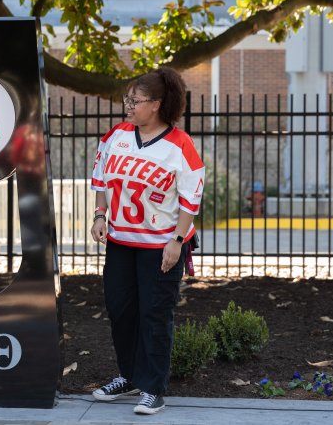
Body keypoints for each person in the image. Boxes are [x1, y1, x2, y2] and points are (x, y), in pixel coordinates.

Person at [89, 67, 204, 415]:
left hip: (162, 245)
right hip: (122, 242)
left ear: (156, 104)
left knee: (155, 314)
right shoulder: (116, 136)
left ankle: (153, 387)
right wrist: (99, 215)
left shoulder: (179, 145)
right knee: (121, 311)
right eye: (128, 99)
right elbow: (101, 180)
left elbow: (190, 198)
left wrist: (177, 241)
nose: (128, 106)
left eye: (135, 101)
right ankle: (130, 377)